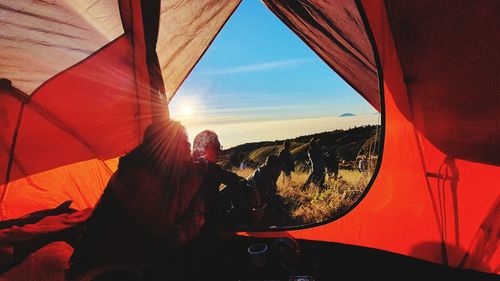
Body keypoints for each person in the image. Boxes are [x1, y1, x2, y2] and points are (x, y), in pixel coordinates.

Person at [67, 121, 205, 280]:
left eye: (187, 140)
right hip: (101, 265)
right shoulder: (132, 173)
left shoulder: (177, 175)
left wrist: (185, 233)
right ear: (162, 146)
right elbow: (160, 223)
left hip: (142, 262)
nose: (188, 145)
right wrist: (196, 177)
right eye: (182, 140)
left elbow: (198, 212)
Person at [247, 154, 287, 227]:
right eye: (278, 169)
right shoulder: (259, 178)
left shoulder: (268, 172)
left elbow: (272, 190)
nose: (279, 172)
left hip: (263, 202)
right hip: (254, 210)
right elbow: (264, 199)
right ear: (270, 167)